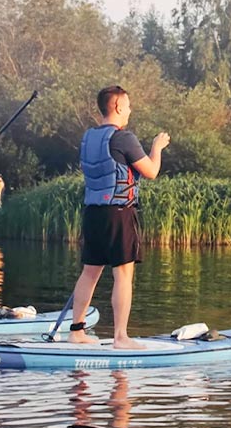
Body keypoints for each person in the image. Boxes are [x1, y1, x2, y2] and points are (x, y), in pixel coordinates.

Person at [67, 85, 168, 350]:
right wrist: (157, 147)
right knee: (123, 274)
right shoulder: (124, 138)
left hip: (93, 213)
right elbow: (151, 171)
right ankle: (121, 336)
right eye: (129, 105)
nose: (130, 110)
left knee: (90, 272)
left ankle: (76, 330)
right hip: (119, 212)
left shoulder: (88, 137)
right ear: (118, 107)